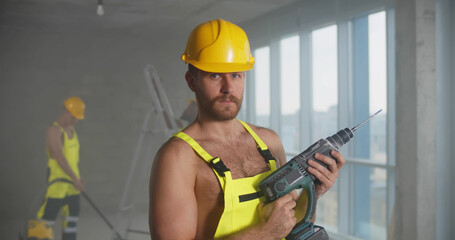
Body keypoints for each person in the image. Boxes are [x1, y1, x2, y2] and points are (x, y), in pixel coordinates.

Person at [149, 19, 346, 240]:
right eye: (214, 75)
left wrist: (314, 192)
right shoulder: (178, 157)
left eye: (236, 75)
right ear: (192, 81)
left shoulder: (269, 141)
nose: (228, 88)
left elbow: (294, 226)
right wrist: (262, 233)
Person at [33, 96, 86, 240]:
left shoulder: (72, 131)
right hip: (57, 183)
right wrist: (74, 178)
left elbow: (73, 159)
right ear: (66, 112)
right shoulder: (54, 130)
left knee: (71, 221)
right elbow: (59, 156)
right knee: (46, 219)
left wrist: (79, 177)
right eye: (74, 117)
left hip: (72, 185)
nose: (76, 121)